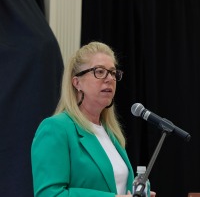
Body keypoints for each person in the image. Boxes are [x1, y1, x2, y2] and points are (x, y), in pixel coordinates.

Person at [31, 41, 156, 197]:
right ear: (77, 82)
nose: (109, 78)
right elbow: (49, 194)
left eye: (112, 72)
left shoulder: (111, 134)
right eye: (99, 71)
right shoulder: (55, 128)